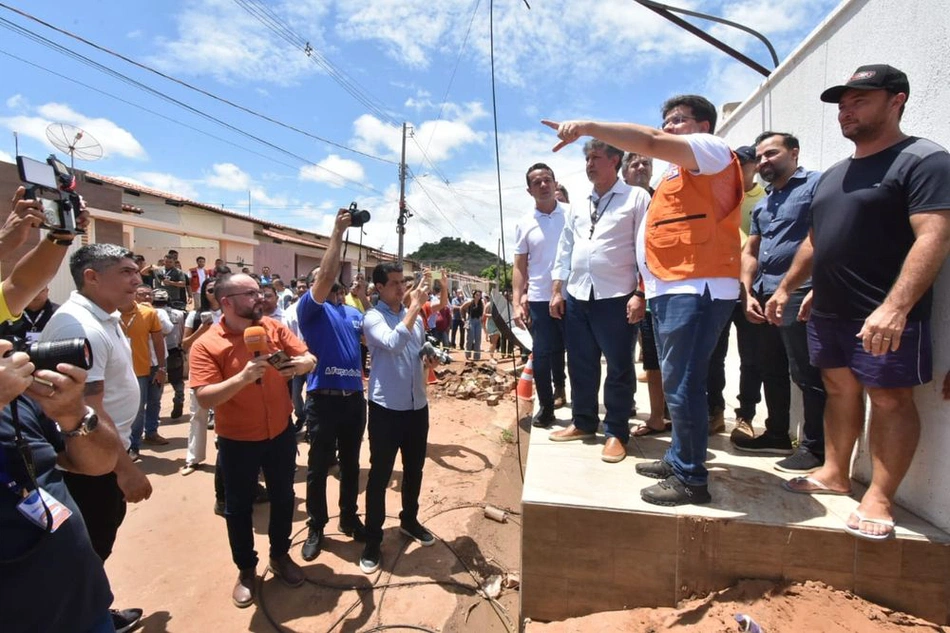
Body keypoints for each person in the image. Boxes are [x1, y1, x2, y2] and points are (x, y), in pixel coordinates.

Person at [767, 64, 950, 539]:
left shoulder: (924, 160)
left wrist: (897, 306)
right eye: (843, 104)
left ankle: (880, 497)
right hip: (828, 308)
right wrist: (791, 287)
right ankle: (834, 472)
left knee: (889, 399)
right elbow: (816, 238)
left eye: (860, 100)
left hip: (884, 310)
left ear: (897, 100)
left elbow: (934, 235)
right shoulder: (833, 175)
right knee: (837, 388)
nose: (847, 111)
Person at [544, 92, 743, 504]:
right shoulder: (678, 174)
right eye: (666, 120)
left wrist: (586, 126)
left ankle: (690, 477)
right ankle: (677, 458)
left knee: (683, 382)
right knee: (675, 381)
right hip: (671, 287)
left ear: (704, 126)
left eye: (679, 120)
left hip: (696, 286)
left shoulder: (711, 150)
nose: (669, 127)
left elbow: (649, 142)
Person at [41, 243, 152, 631]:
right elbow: (88, 411)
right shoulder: (80, 326)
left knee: (92, 548)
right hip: (88, 463)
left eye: (136, 271)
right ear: (92, 277)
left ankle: (91, 613)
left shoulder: (104, 317)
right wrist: (124, 470)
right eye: (125, 272)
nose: (137, 280)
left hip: (104, 453)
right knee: (86, 549)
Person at [189, 273, 315, 607]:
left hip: (280, 434)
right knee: (239, 508)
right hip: (238, 441)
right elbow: (203, 398)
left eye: (259, 292)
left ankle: (280, 556)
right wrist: (243, 377)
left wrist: (302, 364)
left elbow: (308, 358)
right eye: (250, 294)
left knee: (283, 497)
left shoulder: (271, 329)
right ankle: (246, 569)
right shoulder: (206, 344)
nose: (259, 298)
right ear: (226, 302)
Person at [547, 140, 650, 464]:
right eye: (587, 158)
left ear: (615, 160)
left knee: (619, 367)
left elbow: (647, 248)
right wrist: (557, 289)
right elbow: (565, 248)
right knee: (580, 363)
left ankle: (616, 432)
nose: (589, 164)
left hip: (617, 295)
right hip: (579, 293)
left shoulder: (636, 197)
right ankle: (583, 422)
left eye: (596, 158)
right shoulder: (580, 203)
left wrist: (640, 293)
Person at [735, 132, 827, 472]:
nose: (763, 162)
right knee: (770, 368)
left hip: (799, 293)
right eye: (759, 157)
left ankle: (816, 448)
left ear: (794, 152)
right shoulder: (764, 202)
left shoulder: (817, 185)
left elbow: (825, 239)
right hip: (763, 295)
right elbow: (752, 251)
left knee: (807, 374)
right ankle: (776, 433)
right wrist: (747, 292)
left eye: (771, 154)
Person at [298, 209, 368, 562]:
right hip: (323, 400)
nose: (331, 285)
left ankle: (348, 517)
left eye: (335, 285)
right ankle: (316, 525)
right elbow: (325, 274)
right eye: (324, 283)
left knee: (352, 464)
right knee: (318, 466)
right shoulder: (310, 309)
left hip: (355, 400)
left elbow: (379, 336)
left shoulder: (355, 313)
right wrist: (337, 233)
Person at [360, 264, 440, 574]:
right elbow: (393, 342)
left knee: (414, 469)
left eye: (401, 283)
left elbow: (418, 350)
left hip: (416, 406)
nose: (400, 288)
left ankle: (409, 520)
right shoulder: (372, 317)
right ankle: (372, 540)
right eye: (393, 283)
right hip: (386, 409)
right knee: (380, 476)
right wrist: (415, 307)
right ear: (378, 288)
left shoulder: (414, 319)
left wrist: (429, 358)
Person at [706, 145, 766, 436]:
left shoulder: (764, 199)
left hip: (752, 289)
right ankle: (715, 411)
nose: (737, 169)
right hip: (719, 286)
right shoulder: (719, 195)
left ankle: (746, 417)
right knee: (713, 355)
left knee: (750, 356)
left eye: (742, 164)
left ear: (754, 166)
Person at [513, 162, 568, 428]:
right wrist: (516, 301)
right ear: (529, 190)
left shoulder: (573, 214)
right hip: (539, 300)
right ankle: (546, 408)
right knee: (543, 356)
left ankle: (583, 411)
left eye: (548, 180)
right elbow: (519, 266)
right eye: (537, 182)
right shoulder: (524, 224)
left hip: (574, 296)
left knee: (581, 354)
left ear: (555, 183)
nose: (544, 185)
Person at [621, 153, 670, 437]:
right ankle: (654, 416)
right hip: (623, 292)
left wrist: (641, 290)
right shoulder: (617, 202)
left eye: (646, 163)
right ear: (625, 171)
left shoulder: (662, 199)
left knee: (669, 360)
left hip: (657, 292)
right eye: (634, 164)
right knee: (647, 359)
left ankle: (670, 415)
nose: (641, 167)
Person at [123, 285, 168, 456]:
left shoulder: (150, 313)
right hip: (133, 370)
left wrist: (162, 368)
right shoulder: (112, 314)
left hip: (153, 366)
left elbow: (159, 341)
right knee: (138, 407)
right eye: (142, 294)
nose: (147, 297)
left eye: (150, 294)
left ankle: (151, 432)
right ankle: (133, 444)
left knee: (155, 401)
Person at [152, 289, 187, 420]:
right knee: (177, 379)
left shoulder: (150, 313)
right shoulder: (178, 314)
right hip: (174, 350)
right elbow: (183, 330)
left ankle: (155, 412)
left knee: (157, 383)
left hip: (155, 353)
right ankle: (179, 395)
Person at [460, 289, 486, 361]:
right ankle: (467, 354)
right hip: (471, 320)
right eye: (477, 295)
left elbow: (483, 311)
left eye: (479, 295)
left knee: (478, 338)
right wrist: (463, 318)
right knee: (470, 338)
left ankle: (477, 356)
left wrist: (482, 317)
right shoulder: (470, 302)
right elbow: (461, 308)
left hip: (478, 321)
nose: (478, 296)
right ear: (474, 295)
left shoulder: (482, 302)